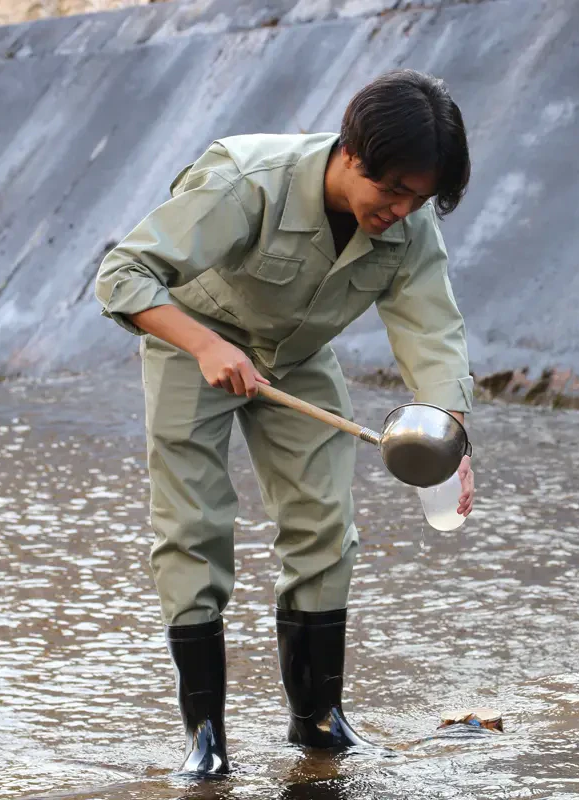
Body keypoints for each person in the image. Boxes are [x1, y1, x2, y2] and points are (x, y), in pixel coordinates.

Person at [95, 69, 476, 774]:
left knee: (324, 522)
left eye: (419, 198)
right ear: (350, 152)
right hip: (193, 340)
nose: (401, 210)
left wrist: (448, 436)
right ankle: (206, 739)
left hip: (296, 356)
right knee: (193, 526)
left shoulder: (409, 223)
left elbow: (432, 330)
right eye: (391, 190)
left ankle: (318, 720)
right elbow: (123, 275)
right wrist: (205, 345)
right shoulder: (247, 181)